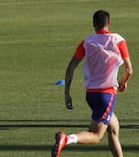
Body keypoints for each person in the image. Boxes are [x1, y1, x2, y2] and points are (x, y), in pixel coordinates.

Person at [52, 10, 132, 157]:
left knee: (113, 128)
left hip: (91, 95)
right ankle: (67, 139)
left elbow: (71, 66)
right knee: (96, 136)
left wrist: (67, 93)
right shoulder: (118, 40)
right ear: (109, 23)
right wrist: (123, 81)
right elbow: (129, 69)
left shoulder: (86, 42)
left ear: (93, 24)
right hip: (106, 95)